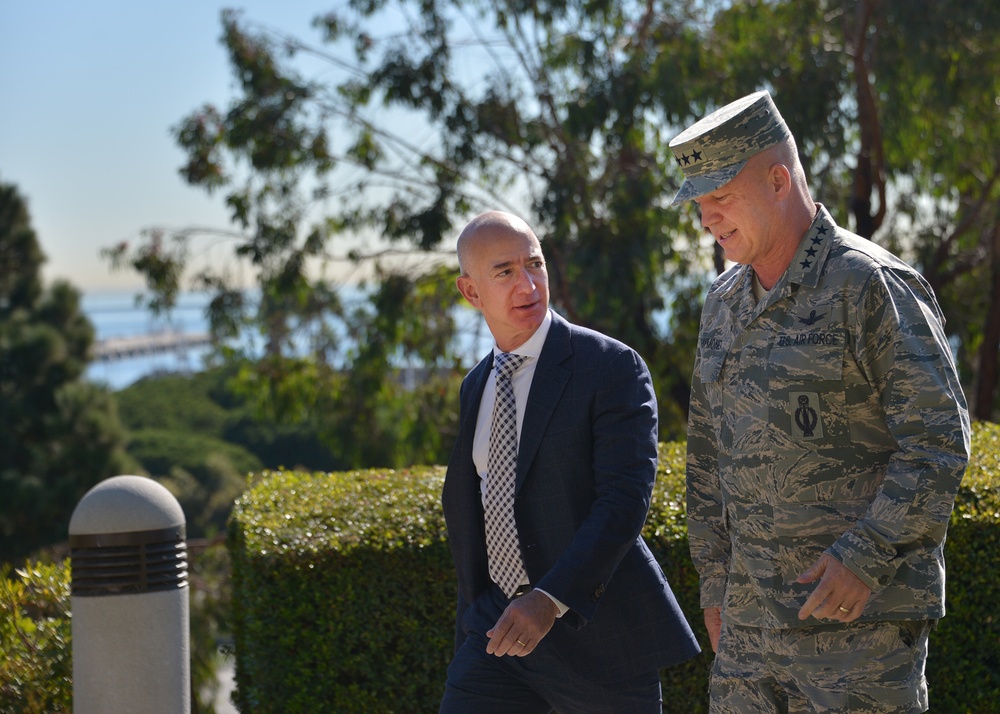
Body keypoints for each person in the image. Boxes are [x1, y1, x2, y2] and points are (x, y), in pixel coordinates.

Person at [672, 90, 971, 713]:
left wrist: (864, 555)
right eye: (700, 205)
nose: (707, 220)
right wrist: (715, 591)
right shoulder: (722, 307)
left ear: (779, 180)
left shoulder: (869, 284)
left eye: (721, 198)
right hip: (749, 644)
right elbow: (705, 464)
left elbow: (938, 439)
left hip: (857, 636)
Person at [439, 210, 700, 713]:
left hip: (597, 635)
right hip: (497, 632)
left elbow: (624, 501)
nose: (528, 283)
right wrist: (478, 612)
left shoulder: (610, 366)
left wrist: (548, 599)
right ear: (471, 292)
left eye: (534, 264)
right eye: (505, 272)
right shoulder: (477, 385)